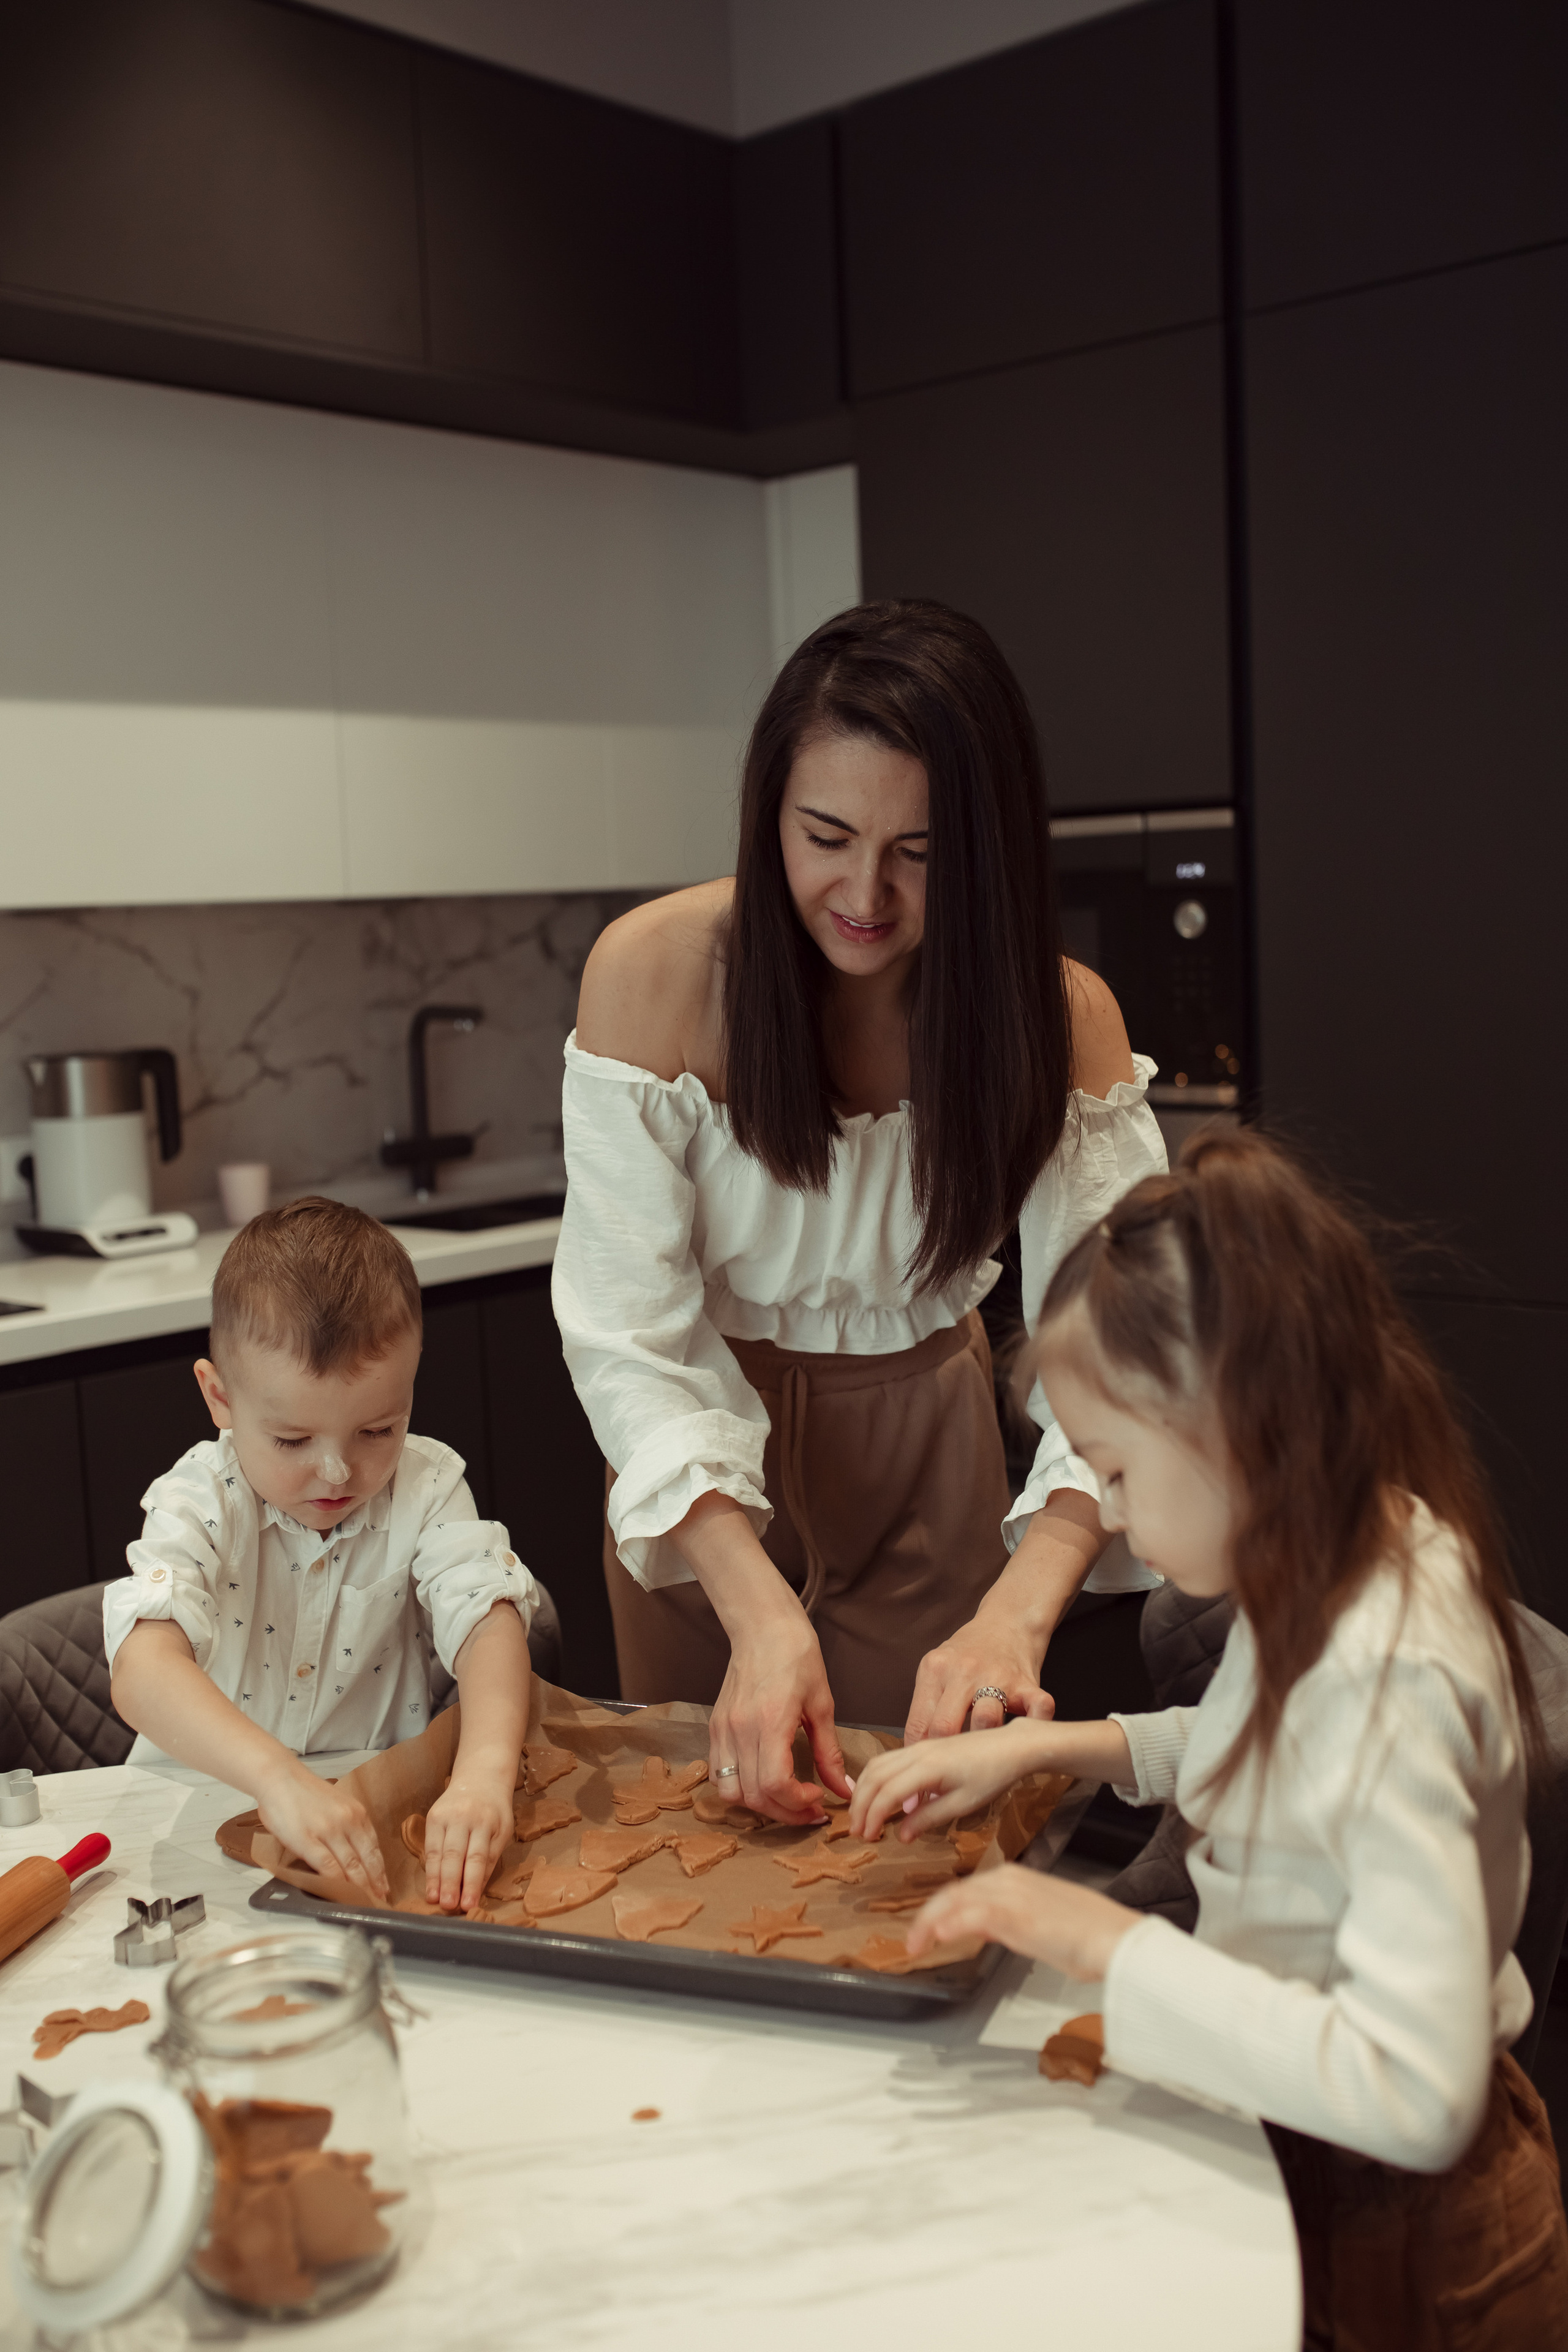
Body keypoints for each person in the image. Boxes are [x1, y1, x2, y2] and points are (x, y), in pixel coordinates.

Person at [849, 1129, 1568, 2349]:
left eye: (1118, 1473)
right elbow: (1268, 1761)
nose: (1112, 1519)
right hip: (1311, 2156)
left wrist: (1104, 1941)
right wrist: (1047, 1751)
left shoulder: (1385, 1668)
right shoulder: (1337, 1558)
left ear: (1239, 1420)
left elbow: (1416, 2088)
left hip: (1406, 2235)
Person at [553, 600, 1166, 1825]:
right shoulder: (653, 976)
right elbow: (628, 1339)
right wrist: (755, 1605)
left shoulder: (1055, 1017)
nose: (864, 893)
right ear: (768, 810)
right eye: (825, 835)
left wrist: (1015, 1607)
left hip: (928, 1477)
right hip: (699, 1488)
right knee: (698, 1844)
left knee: (903, 1855)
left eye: (920, 852)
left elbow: (1125, 1355)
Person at [107, 1197, 538, 1915]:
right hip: (192, 1831)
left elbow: (487, 1619)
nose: (338, 1473)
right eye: (292, 1441)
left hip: (363, 1826)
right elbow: (141, 1669)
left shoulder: (425, 1487)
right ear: (220, 1397)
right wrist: (275, 1776)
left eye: (377, 1429)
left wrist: (485, 1774)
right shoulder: (200, 1499)